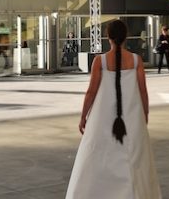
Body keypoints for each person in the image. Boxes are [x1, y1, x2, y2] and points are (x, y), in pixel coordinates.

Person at [66, 20, 160, 198]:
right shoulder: (136, 60)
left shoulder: (99, 61)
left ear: (107, 36)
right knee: (134, 157)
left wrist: (83, 116)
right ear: (126, 37)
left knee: (100, 156)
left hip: (103, 118)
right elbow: (143, 91)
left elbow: (91, 92)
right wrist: (145, 114)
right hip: (132, 117)